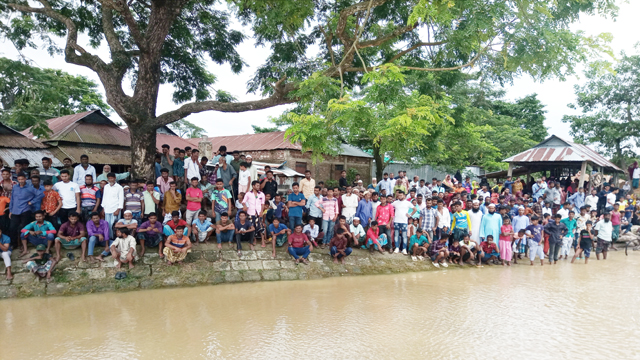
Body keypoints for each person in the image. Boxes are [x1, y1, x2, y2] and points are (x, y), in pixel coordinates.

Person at [9, 172, 36, 248]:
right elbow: (12, 199)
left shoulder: (30, 188)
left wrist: (32, 202)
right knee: (12, 228)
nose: (21, 180)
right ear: (17, 179)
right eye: (19, 179)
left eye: (22, 179)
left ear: (25, 179)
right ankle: (14, 244)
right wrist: (11, 210)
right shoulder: (15, 187)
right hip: (15, 210)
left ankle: (23, 244)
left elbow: (39, 195)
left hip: (25, 210)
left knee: (23, 228)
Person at [101, 172, 124, 239]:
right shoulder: (106, 186)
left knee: (114, 224)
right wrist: (103, 208)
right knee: (107, 224)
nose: (110, 180)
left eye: (111, 178)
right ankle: (109, 238)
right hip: (107, 208)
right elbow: (104, 197)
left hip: (115, 208)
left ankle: (116, 238)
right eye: (109, 178)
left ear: (115, 178)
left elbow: (121, 199)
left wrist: (118, 209)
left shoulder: (119, 187)